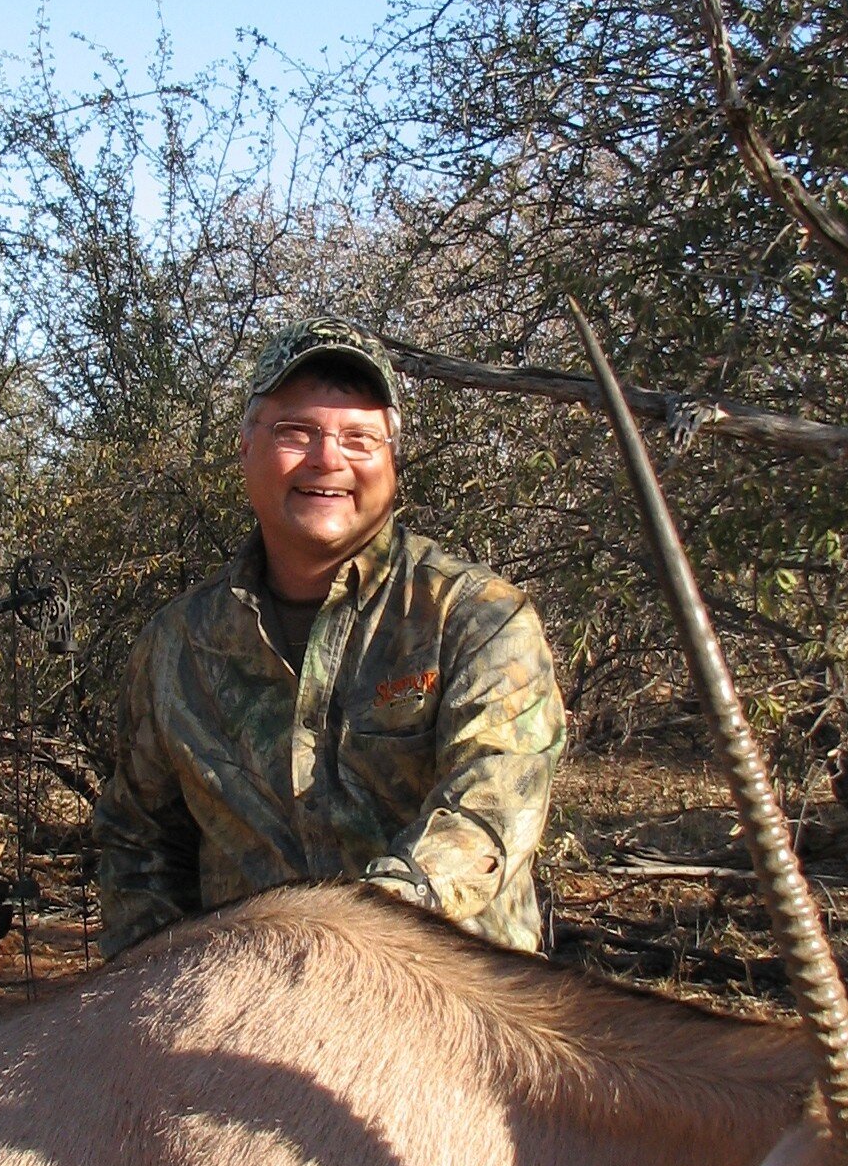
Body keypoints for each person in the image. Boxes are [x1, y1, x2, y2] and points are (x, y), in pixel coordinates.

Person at [93, 315, 566, 958]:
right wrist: (146, 995)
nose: (327, 459)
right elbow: (139, 845)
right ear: (246, 447)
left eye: (359, 439)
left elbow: (486, 817)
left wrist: (337, 952)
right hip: (235, 1012)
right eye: (297, 432)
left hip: (451, 1007)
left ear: (392, 462)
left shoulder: (479, 618)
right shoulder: (175, 645)